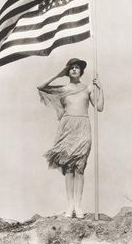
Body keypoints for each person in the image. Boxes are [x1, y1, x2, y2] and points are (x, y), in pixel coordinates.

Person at [37, 58, 104, 218]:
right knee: (68, 168)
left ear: (81, 71)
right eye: (71, 68)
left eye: (77, 67)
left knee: (80, 167)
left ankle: (78, 206)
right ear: (68, 71)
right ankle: (70, 206)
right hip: (67, 128)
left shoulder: (88, 88)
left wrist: (101, 89)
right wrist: (58, 74)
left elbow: (100, 107)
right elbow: (41, 87)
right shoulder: (63, 89)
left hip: (83, 126)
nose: (74, 70)